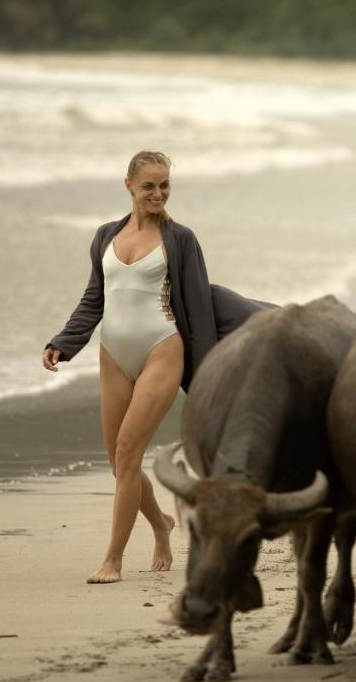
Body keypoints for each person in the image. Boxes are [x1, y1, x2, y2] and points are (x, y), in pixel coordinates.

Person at [42, 150, 222, 584]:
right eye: (149, 186)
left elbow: (198, 311)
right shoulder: (105, 234)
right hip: (113, 354)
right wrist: (64, 342)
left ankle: (113, 560)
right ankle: (161, 523)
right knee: (119, 461)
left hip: (162, 348)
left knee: (127, 453)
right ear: (129, 185)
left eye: (164, 186)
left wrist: (210, 376)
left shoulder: (180, 239)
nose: (157, 193)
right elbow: (94, 299)